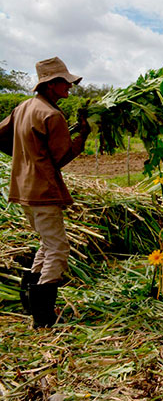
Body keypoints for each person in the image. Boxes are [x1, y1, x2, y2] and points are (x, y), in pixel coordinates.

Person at [0, 57, 90, 328]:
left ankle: (31, 302)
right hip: (43, 192)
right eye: (65, 83)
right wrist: (82, 135)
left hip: (22, 190)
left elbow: (2, 135)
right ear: (51, 85)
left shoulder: (23, 107)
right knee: (58, 249)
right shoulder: (52, 115)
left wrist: (25, 158)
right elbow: (61, 156)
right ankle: (43, 317)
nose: (69, 88)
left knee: (46, 244)